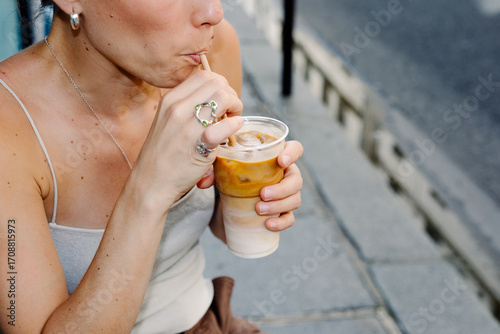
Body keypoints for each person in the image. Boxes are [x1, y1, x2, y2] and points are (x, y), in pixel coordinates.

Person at [0, 0, 303, 333]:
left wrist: (254, 192)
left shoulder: (211, 55)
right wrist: (150, 190)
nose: (213, 13)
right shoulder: (9, 126)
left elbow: (218, 221)